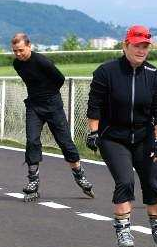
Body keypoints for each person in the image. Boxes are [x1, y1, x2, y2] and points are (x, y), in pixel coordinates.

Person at [86, 25, 157, 247]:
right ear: (125, 45)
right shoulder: (106, 72)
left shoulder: (152, 74)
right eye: (137, 45)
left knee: (152, 182)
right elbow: (94, 105)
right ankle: (124, 233)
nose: (141, 50)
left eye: (145, 46)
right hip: (113, 137)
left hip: (144, 136)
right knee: (125, 181)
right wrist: (93, 132)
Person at [11, 33, 94, 202]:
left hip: (52, 105)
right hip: (34, 106)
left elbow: (59, 79)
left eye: (20, 50)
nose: (18, 54)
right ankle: (33, 181)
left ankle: (79, 175)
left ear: (29, 46)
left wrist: (48, 93)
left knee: (64, 141)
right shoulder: (17, 64)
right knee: (32, 140)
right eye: (15, 51)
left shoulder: (42, 62)